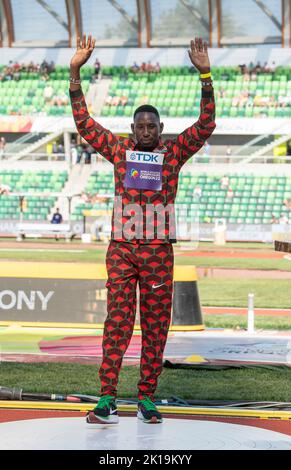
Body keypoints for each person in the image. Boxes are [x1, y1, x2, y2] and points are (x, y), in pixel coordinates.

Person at [69, 34, 215, 425]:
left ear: (161, 128)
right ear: (132, 129)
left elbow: (206, 125)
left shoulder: (174, 153)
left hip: (157, 252)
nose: (147, 130)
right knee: (117, 323)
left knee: (154, 326)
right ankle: (107, 398)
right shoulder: (119, 150)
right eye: (141, 125)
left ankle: (147, 398)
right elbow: (84, 124)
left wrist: (205, 76)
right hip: (122, 249)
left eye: (152, 125)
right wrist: (74, 73)